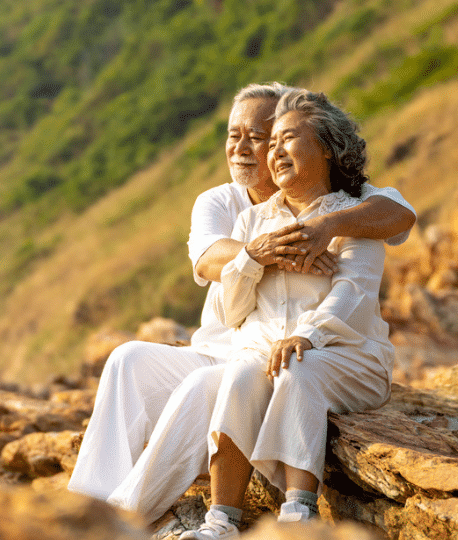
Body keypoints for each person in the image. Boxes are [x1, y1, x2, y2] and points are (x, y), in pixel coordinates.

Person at [67, 83, 415, 515]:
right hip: (221, 346)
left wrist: (324, 227)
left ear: (317, 143)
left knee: (207, 388)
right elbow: (210, 258)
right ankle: (87, 501)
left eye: (264, 136)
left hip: (269, 357)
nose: (245, 147)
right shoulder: (226, 203)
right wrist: (270, 251)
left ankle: (122, 515)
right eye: (235, 135)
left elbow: (399, 216)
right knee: (127, 360)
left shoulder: (350, 201)